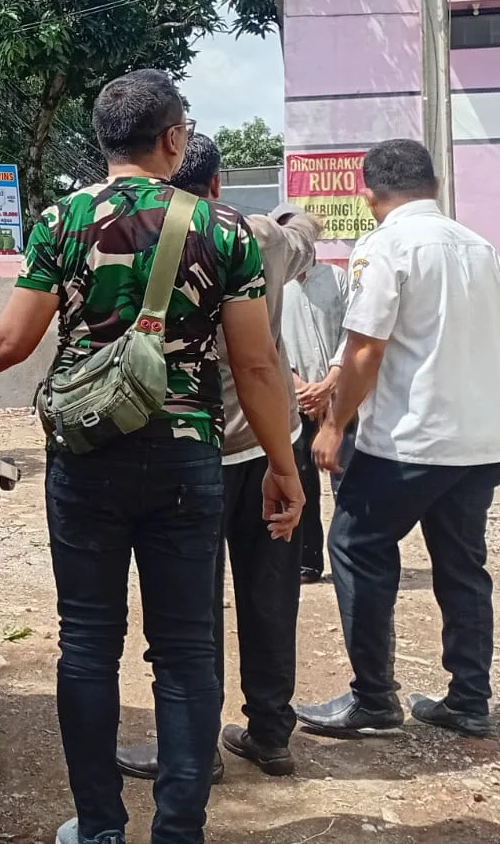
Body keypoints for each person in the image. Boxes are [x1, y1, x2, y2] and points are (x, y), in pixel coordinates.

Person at [0, 70, 303, 844]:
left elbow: (10, 342)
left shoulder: (62, 222)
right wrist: (283, 464)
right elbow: (259, 366)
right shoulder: (224, 230)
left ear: (106, 141)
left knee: (89, 642)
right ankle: (178, 831)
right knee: (186, 651)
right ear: (173, 139)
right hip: (187, 459)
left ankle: (100, 827)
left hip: (86, 458)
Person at [295, 139, 500, 742]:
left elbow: (367, 346)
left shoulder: (386, 244)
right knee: (463, 567)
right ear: (434, 184)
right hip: (481, 442)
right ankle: (468, 700)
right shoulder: (481, 247)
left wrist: (334, 424)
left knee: (356, 545)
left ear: (369, 193)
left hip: (413, 442)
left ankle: (373, 699)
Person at [118, 135, 318, 785]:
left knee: (189, 610)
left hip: (187, 448)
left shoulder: (138, 234)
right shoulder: (256, 236)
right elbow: (306, 231)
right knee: (270, 595)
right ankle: (270, 732)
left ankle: (194, 748)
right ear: (218, 184)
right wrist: (287, 217)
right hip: (268, 445)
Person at [282, 256, 352, 582]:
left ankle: (351, 557)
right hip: (296, 400)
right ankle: (307, 561)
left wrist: (329, 385)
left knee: (348, 479)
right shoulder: (274, 282)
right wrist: (301, 388)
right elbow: (271, 341)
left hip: (341, 397)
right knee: (302, 480)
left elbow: (351, 333)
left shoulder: (337, 278)